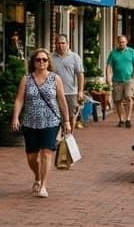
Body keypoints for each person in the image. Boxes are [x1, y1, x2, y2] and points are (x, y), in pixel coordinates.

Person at [12, 48, 71, 198]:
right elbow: (19, 100)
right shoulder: (26, 79)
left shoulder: (55, 79)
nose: (41, 62)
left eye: (44, 60)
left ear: (48, 62)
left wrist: (67, 121)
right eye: (38, 60)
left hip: (50, 121)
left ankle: (43, 186)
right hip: (30, 122)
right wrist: (15, 117)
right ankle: (37, 177)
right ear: (33, 62)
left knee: (46, 153)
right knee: (32, 157)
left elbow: (62, 101)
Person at [50, 35, 84, 131]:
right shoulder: (50, 57)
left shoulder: (74, 57)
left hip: (71, 92)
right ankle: (59, 138)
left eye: (63, 43)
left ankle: (69, 137)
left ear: (67, 44)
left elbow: (80, 74)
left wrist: (80, 91)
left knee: (71, 116)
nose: (61, 45)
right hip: (55, 92)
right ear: (55, 44)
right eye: (58, 43)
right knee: (57, 116)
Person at [106, 35, 134, 128]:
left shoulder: (131, 52)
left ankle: (128, 119)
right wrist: (107, 77)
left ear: (126, 42)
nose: (122, 44)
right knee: (118, 100)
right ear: (117, 43)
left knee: (129, 98)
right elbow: (109, 65)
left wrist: (133, 76)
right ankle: (121, 119)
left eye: (123, 42)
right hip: (116, 80)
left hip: (128, 79)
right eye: (120, 42)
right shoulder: (113, 53)